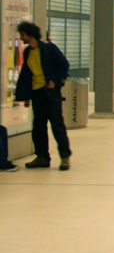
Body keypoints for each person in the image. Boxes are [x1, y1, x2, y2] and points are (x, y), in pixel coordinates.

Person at [15, 21, 72, 170]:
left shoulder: (48, 48)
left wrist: (54, 80)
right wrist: (26, 95)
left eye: (23, 35)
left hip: (50, 92)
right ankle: (42, 157)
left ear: (30, 35)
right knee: (38, 126)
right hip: (37, 92)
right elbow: (26, 75)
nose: (21, 38)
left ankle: (64, 156)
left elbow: (64, 64)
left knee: (56, 124)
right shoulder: (27, 52)